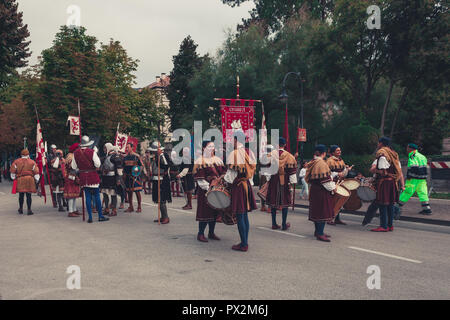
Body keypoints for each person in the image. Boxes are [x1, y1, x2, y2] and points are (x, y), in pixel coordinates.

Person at [224, 132, 257, 252]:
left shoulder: (235, 154)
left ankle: (243, 244)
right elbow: (252, 172)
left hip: (238, 186)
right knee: (245, 215)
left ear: (236, 140)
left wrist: (223, 180)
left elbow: (230, 177)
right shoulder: (250, 152)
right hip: (246, 184)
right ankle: (245, 241)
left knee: (239, 215)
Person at [72, 136, 109, 223]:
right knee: (96, 196)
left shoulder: (75, 153)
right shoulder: (92, 152)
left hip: (83, 177)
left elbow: (74, 167)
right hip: (92, 175)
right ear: (88, 144)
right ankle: (100, 216)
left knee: (87, 196)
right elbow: (97, 164)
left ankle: (90, 218)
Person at [193, 141, 225, 242]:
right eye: (209, 146)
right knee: (204, 212)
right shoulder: (200, 161)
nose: (212, 148)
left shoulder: (218, 160)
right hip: (206, 190)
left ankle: (211, 232)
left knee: (215, 211)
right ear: (203, 148)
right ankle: (200, 233)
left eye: (213, 146)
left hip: (218, 189)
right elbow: (200, 180)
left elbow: (223, 173)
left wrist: (221, 183)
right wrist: (210, 188)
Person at [370, 137, 403, 232]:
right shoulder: (394, 153)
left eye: (378, 143)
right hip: (392, 182)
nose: (377, 145)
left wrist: (375, 170)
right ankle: (390, 225)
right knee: (390, 204)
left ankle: (383, 226)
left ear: (381, 143)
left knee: (383, 204)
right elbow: (398, 169)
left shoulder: (382, 152)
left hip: (385, 182)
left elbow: (384, 171)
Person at [305, 145, 336, 242]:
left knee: (317, 211)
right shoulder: (321, 163)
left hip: (314, 189)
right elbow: (325, 180)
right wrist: (333, 188)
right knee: (323, 212)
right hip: (321, 190)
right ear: (324, 153)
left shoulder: (312, 162)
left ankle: (317, 231)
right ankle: (320, 233)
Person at [266, 138, 298, 230]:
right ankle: (284, 224)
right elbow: (292, 173)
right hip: (285, 181)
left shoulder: (270, 155)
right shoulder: (290, 156)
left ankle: (274, 223)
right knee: (285, 202)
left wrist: (269, 181)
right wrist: (292, 184)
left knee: (273, 202)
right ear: (284, 145)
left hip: (274, 180)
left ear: (276, 145)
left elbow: (268, 171)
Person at [397, 143, 432, 215]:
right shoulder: (422, 156)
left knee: (407, 191)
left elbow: (413, 166)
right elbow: (426, 167)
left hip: (413, 178)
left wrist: (410, 176)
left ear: (411, 148)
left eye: (407, 147)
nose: (406, 149)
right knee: (423, 192)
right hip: (422, 178)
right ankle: (427, 209)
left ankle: (397, 207)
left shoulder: (412, 155)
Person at [326, 145, 353, 225]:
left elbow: (343, 172)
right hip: (333, 182)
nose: (339, 152)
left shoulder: (341, 160)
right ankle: (329, 218)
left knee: (339, 201)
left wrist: (347, 170)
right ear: (333, 152)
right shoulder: (329, 161)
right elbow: (328, 172)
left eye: (340, 150)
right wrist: (337, 174)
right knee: (333, 201)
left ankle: (336, 218)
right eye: (337, 150)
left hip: (340, 182)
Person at [10, 149, 40, 215]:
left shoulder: (16, 161)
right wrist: (37, 180)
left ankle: (20, 209)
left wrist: (14, 178)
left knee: (21, 195)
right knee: (29, 195)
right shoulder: (32, 162)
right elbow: (36, 172)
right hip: (30, 179)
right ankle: (29, 210)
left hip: (20, 179)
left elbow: (12, 172)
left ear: (21, 154)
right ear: (28, 154)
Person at [148, 141, 171, 224]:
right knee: (158, 199)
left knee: (162, 199)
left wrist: (159, 157)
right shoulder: (155, 157)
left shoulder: (164, 156)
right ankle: (162, 216)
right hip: (155, 178)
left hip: (162, 179)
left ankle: (166, 217)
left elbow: (166, 165)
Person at [101, 143, 123, 217]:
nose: (104, 150)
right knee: (105, 193)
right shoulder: (106, 157)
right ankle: (106, 208)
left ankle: (114, 210)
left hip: (112, 178)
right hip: (105, 178)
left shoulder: (115, 156)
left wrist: (119, 179)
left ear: (108, 148)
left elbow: (119, 168)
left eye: (105, 148)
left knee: (113, 194)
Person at [123, 142, 144, 213]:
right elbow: (123, 166)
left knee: (137, 192)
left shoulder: (136, 156)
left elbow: (141, 166)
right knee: (129, 192)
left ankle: (139, 206)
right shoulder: (125, 157)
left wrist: (136, 172)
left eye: (128, 147)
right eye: (126, 147)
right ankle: (130, 206)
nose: (127, 149)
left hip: (135, 177)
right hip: (128, 177)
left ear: (132, 148)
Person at [64, 143, 81, 218]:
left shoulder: (73, 155)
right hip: (71, 176)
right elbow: (72, 168)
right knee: (71, 195)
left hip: (74, 176)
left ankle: (74, 209)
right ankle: (70, 211)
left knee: (74, 195)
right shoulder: (71, 156)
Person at [259, 145, 274, 212]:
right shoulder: (272, 157)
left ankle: (263, 206)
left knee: (262, 190)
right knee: (270, 190)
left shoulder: (262, 157)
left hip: (263, 174)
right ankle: (269, 207)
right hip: (270, 175)